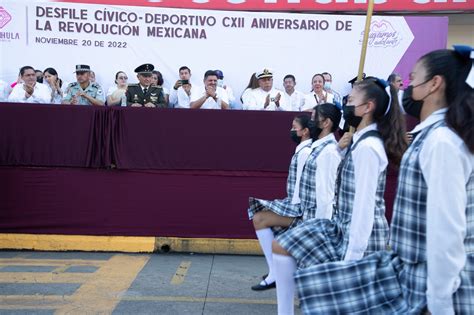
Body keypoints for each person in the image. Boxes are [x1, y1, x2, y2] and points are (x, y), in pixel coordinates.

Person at [292, 46, 474, 315]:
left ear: (434, 84)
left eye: (413, 80)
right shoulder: (434, 136)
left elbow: (446, 233)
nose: (406, 88)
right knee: (318, 294)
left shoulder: (441, 142)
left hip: (437, 285)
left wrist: (441, 306)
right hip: (417, 272)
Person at [273, 77, 408, 315]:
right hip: (343, 227)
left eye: (351, 100)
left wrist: (352, 256)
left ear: (368, 107)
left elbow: (364, 206)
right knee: (283, 246)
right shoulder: (358, 141)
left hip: (361, 237)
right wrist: (341, 148)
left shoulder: (369, 148)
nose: (346, 105)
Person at [248, 114, 313, 291]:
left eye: (294, 127)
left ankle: (276, 273)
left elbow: (302, 185)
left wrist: (291, 208)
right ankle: (275, 271)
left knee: (259, 218)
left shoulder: (305, 152)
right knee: (258, 215)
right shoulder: (302, 149)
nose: (292, 130)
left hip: (301, 209)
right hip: (296, 204)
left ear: (305, 131)